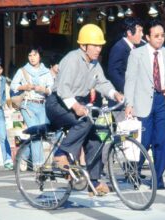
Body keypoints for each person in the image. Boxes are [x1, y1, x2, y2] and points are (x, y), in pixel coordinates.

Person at [45, 24, 124, 195]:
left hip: (78, 102)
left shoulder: (94, 63)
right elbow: (63, 90)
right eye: (94, 45)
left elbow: (102, 82)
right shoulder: (71, 59)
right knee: (85, 121)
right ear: (83, 46)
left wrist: (115, 93)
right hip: (58, 103)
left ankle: (93, 182)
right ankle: (61, 153)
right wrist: (76, 106)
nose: (98, 49)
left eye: (100, 45)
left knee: (97, 136)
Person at [124, 20, 165, 190]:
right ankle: (135, 172)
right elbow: (130, 79)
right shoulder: (137, 54)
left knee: (162, 141)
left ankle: (158, 177)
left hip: (163, 100)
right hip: (143, 101)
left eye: (162, 35)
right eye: (156, 36)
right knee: (143, 140)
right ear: (147, 37)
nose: (160, 39)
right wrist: (129, 103)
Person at [10, 45, 54, 169]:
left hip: (42, 105)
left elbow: (52, 89)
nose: (32, 58)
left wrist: (43, 89)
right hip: (27, 105)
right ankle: (38, 164)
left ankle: (23, 157)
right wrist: (24, 87)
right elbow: (13, 86)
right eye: (30, 55)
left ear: (40, 56)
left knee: (41, 134)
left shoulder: (46, 72)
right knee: (36, 134)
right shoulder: (23, 70)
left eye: (35, 55)